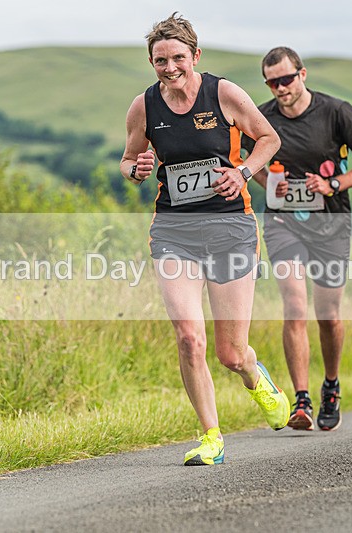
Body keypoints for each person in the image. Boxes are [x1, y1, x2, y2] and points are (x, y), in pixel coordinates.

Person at [120, 13, 290, 466]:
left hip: (230, 227)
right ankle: (211, 436)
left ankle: (258, 378)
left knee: (231, 353)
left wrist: (243, 173)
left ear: (195, 56)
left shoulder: (224, 94)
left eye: (178, 57)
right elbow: (129, 158)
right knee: (189, 337)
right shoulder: (144, 106)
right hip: (173, 231)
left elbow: (269, 139)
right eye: (160, 60)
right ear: (151, 62)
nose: (170, 67)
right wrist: (134, 169)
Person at [242, 47, 352, 431]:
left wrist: (332, 183)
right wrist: (270, 183)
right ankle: (301, 399)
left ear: (302, 74)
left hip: (331, 224)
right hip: (284, 223)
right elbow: (247, 163)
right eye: (272, 83)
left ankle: (331, 386)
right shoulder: (261, 118)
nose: (280, 88)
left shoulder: (337, 112)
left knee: (329, 315)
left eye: (286, 79)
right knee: (294, 303)